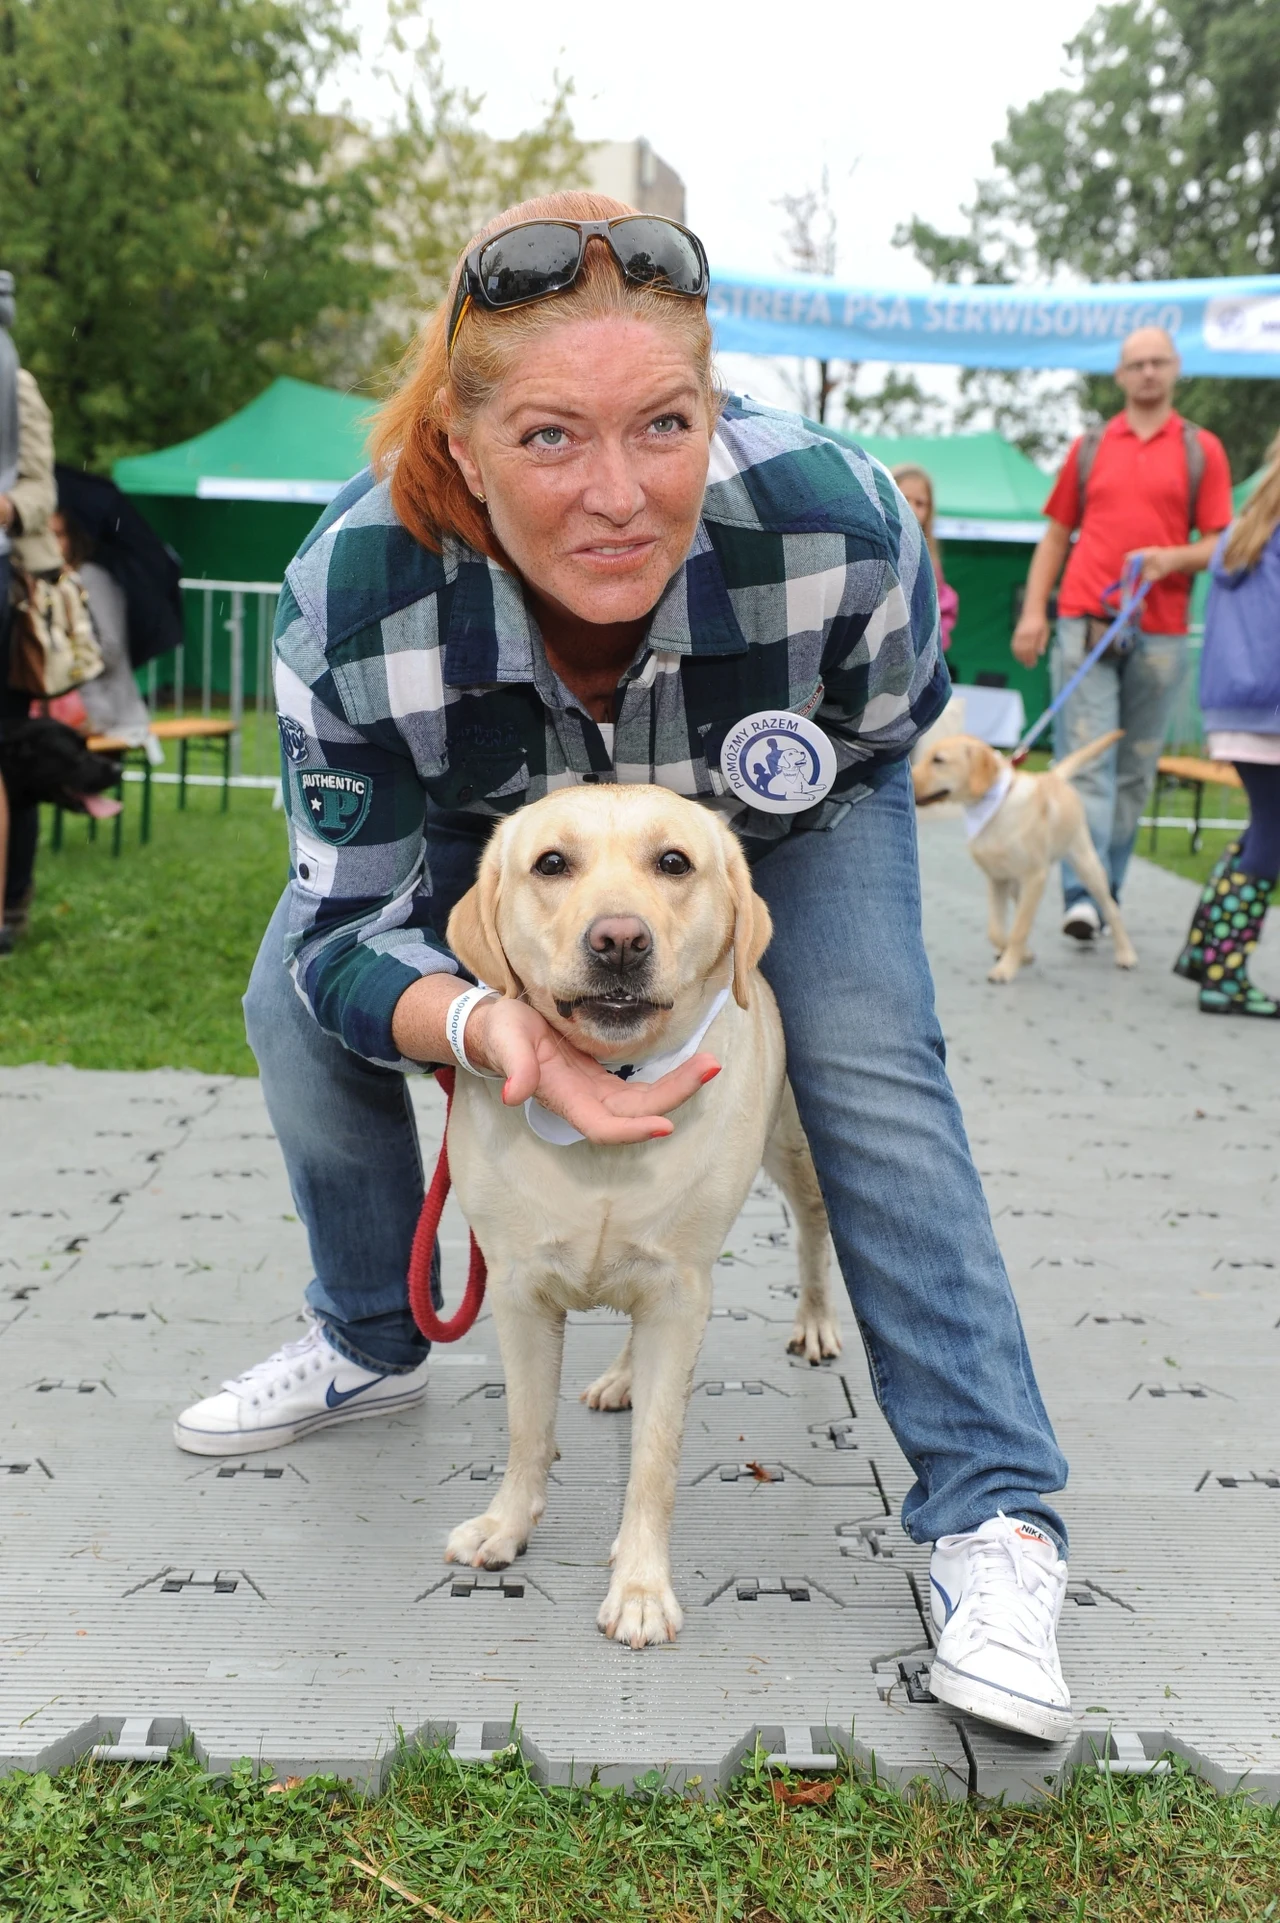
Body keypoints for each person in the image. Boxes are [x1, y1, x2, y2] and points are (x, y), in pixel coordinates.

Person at [174, 192, 1075, 1743]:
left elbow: (872, 747)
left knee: (864, 1052)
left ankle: (992, 1518)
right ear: (463, 448)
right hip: (495, 817)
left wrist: (714, 925)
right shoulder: (353, 591)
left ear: (713, 410)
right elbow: (344, 929)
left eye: (662, 426)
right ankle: (369, 1333)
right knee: (289, 996)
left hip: (769, 803)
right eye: (548, 440)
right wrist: (482, 1020)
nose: (617, 496)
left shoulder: (842, 525)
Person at [1012, 327, 1233, 942]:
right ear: (1120, 374)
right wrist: (1035, 612)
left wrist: (1173, 557)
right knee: (1087, 765)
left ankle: (1107, 887)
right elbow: (1056, 535)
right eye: (1136, 363)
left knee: (1136, 768)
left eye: (1158, 362)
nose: (1147, 373)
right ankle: (1082, 897)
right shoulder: (1089, 447)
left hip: (1161, 628)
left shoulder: (1201, 450)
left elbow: (1220, 542)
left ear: (1175, 368)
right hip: (1086, 616)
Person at [1174, 428, 1280, 1019]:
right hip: (1272, 704)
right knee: (1270, 835)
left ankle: (1208, 953)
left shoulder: (1248, 529)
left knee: (1265, 826)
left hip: (1237, 702)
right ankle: (1225, 975)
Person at [0, 271, 59, 952]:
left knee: (9, 751)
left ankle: (11, 902)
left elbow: (42, 488)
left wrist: (10, 505)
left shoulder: (15, 385)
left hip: (10, 595)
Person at [49, 508, 158, 750]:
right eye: (44, 536)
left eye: (58, 535)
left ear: (74, 538)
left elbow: (111, 647)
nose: (51, 544)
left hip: (105, 708)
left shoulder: (92, 579)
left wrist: (66, 659)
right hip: (59, 711)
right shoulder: (44, 583)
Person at [893, 463, 958, 650]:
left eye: (920, 503)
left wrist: (937, 634)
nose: (911, 508)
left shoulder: (928, 559)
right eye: (904, 498)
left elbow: (943, 605)